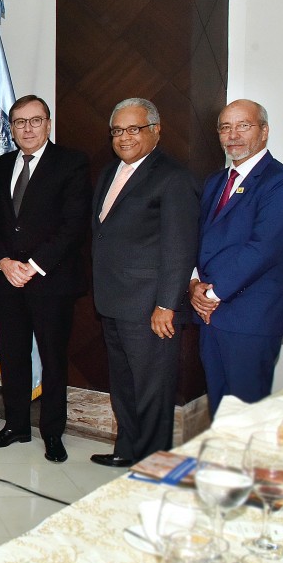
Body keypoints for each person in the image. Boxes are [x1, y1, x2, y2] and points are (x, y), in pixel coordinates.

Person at [0, 95, 90, 463]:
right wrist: (4, 261)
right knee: (14, 356)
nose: (27, 128)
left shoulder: (71, 163)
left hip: (50, 281)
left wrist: (34, 264)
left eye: (35, 121)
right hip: (8, 279)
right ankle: (16, 426)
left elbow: (74, 225)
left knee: (53, 358)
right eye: (19, 122)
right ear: (10, 128)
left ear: (48, 123)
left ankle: (53, 432)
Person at [90, 98, 200, 467]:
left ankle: (153, 466)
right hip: (113, 301)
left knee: (153, 391)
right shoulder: (110, 173)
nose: (124, 137)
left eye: (134, 129)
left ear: (156, 130)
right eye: (118, 130)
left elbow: (179, 247)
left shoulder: (173, 177)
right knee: (123, 386)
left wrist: (167, 304)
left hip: (150, 307)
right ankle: (128, 451)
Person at [190, 99, 283, 415]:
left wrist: (212, 295)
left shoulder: (277, 181)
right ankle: (223, 466)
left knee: (245, 415)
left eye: (243, 125)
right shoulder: (216, 181)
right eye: (225, 127)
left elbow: (263, 249)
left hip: (250, 320)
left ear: (264, 131)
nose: (233, 135)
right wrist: (194, 286)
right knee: (219, 408)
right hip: (209, 316)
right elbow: (200, 239)